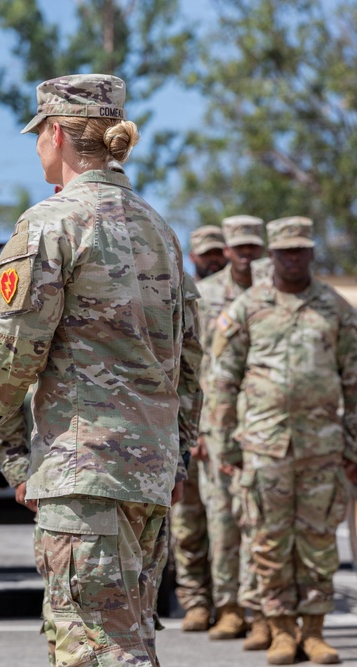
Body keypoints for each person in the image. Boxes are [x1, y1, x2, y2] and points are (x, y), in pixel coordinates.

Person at [0, 74, 201, 667]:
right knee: (129, 636)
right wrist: (177, 456)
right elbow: (190, 356)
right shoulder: (158, 229)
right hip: (147, 471)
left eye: (39, 134)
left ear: (58, 134)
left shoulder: (51, 224)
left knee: (97, 649)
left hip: (85, 471)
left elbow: (13, 351)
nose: (38, 145)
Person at [209, 216, 357, 665]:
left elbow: (353, 384)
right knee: (269, 543)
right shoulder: (247, 308)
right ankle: (280, 630)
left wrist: (352, 447)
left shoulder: (335, 309)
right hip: (262, 447)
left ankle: (313, 631)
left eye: (300, 250)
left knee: (318, 542)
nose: (293, 258)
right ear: (271, 256)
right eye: (284, 251)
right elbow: (222, 381)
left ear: (312, 253)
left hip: (321, 449)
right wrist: (226, 445)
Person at [195, 215, 270, 645]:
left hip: (263, 423)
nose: (246, 254)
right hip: (219, 424)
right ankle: (227, 608)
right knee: (221, 519)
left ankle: (258, 608)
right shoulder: (205, 295)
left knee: (260, 520)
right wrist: (198, 430)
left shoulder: (270, 292)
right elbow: (194, 364)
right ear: (226, 250)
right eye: (238, 247)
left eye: (252, 246)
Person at [171, 225, 227, 632]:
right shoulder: (180, 292)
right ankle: (194, 601)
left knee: (226, 523)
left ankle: (230, 604)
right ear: (193, 257)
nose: (213, 261)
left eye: (217, 253)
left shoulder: (237, 299)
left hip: (222, 430)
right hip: (188, 425)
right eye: (205, 254)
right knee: (187, 522)